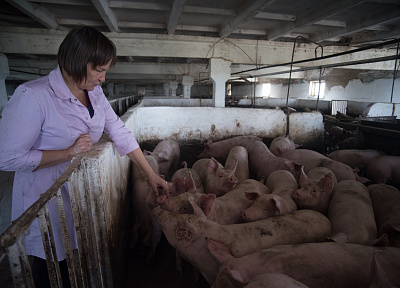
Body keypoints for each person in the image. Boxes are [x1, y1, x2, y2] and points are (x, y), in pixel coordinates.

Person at [0, 25, 169, 287]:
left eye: (105, 71)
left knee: (73, 264)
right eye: (99, 70)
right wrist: (68, 152)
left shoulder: (94, 92)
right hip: (44, 200)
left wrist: (151, 175)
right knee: (48, 269)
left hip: (79, 196)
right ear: (77, 62)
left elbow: (119, 132)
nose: (103, 78)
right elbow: (7, 157)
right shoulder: (33, 95)